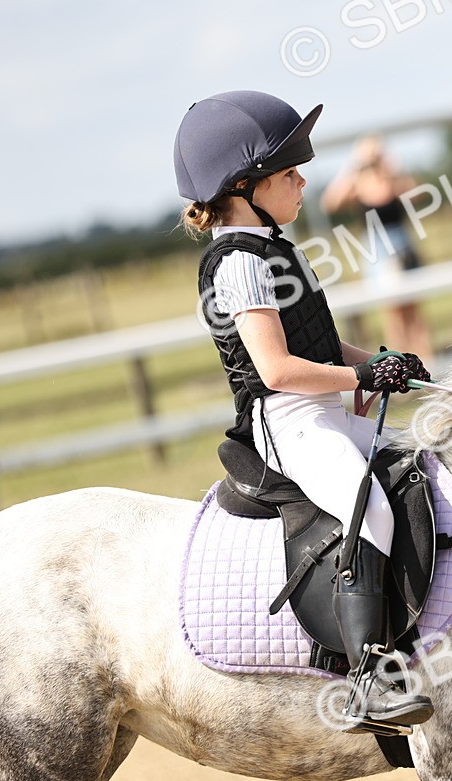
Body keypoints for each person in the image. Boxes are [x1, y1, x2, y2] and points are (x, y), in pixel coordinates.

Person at [174, 90, 433, 729]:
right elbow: (277, 371)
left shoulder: (275, 247)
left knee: (423, 467)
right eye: (289, 173)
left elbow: (314, 344)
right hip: (285, 422)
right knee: (363, 505)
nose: (302, 180)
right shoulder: (236, 262)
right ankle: (370, 676)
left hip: (317, 409)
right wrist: (357, 375)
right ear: (244, 185)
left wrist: (379, 363)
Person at [321, 136, 434, 365]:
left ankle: (427, 363)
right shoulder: (358, 184)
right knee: (392, 314)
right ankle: (401, 366)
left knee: (414, 310)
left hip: (403, 246)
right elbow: (330, 202)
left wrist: (392, 166)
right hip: (378, 252)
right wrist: (355, 165)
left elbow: (418, 192)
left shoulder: (392, 180)